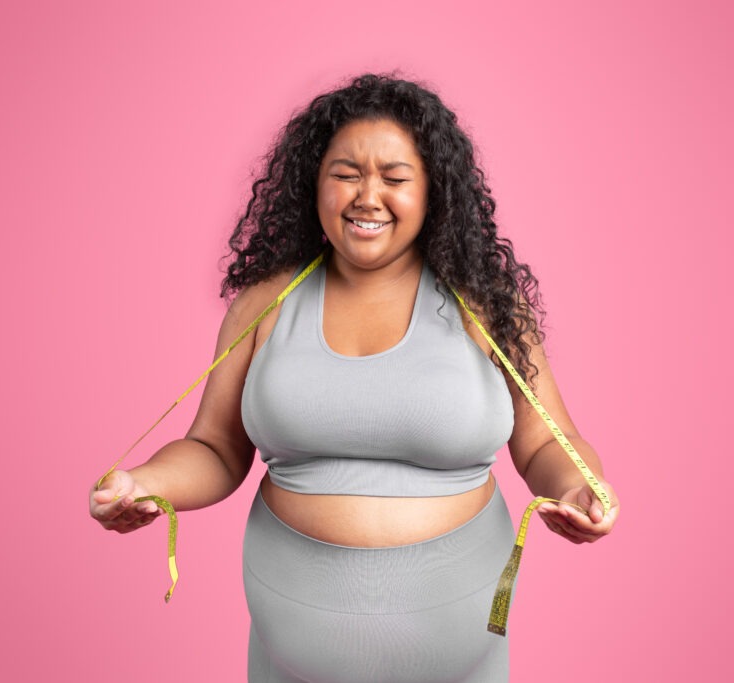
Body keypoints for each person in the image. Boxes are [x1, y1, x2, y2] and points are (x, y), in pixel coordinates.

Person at [89, 73, 620, 682]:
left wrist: (583, 487)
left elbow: (547, 440)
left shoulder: (487, 307)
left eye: (394, 179)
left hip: (459, 654)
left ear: (433, 193)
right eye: (346, 174)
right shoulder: (266, 302)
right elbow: (214, 448)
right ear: (313, 184)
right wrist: (143, 484)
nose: (368, 196)